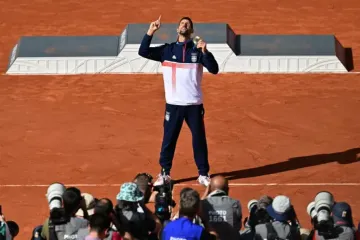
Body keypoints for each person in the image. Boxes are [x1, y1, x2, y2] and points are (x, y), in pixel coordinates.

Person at [138, 16, 219, 187]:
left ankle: (203, 174)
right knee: (169, 139)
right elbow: (143, 51)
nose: (184, 25)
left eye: (188, 24)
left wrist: (206, 52)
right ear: (177, 29)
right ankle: (165, 173)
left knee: (199, 140)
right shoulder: (166, 51)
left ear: (191, 31)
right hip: (173, 104)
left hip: (194, 105)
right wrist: (150, 31)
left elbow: (214, 69)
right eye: (182, 23)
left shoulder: (197, 50)